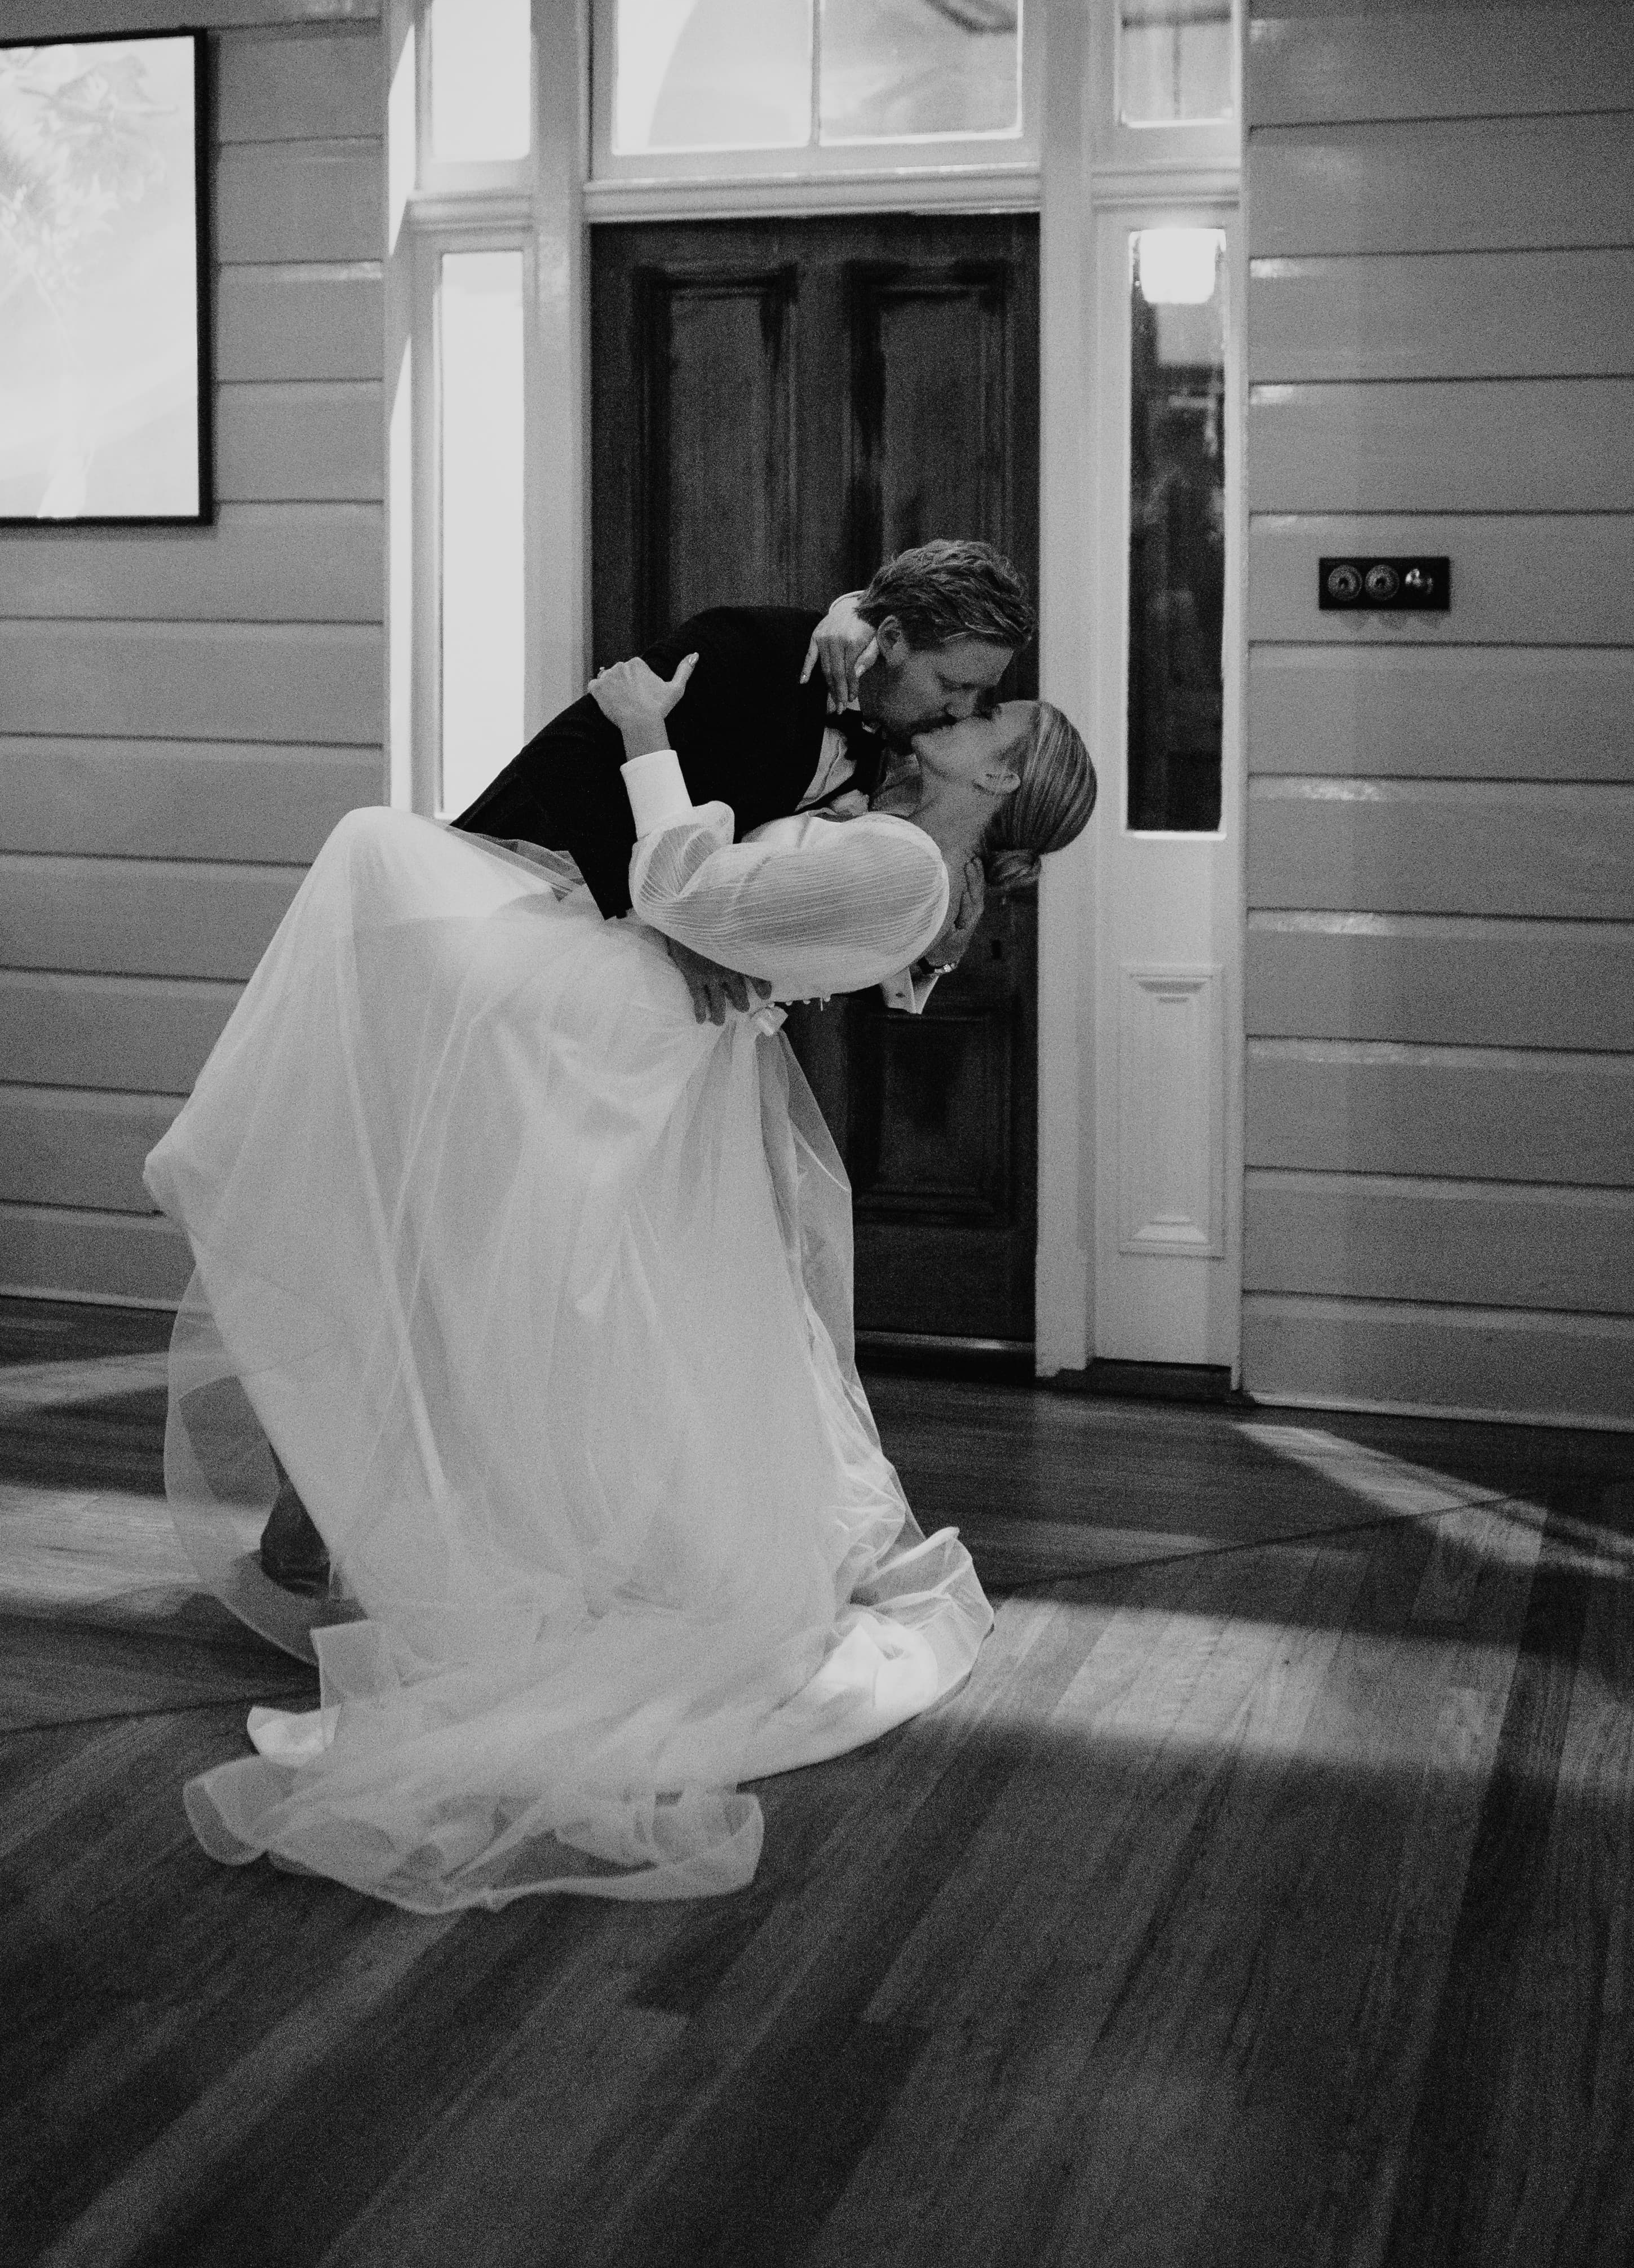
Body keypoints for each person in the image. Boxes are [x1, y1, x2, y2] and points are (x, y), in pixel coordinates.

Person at [144, 651, 1097, 1915]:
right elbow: (722, 908)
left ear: (999, 771)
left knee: (377, 851)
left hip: (614, 1020)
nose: (963, 715)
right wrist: (700, 914)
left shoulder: (910, 867)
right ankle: (356, 1400)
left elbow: (689, 888)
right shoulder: (893, 839)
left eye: (991, 719)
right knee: (560, 1273)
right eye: (973, 696)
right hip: (635, 1018)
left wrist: (647, 731)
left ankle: (253, 1197)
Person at [454, 536, 1036, 1026]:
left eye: (978, 695)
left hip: (645, 1010)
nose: (963, 709)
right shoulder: (749, 648)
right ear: (890, 639)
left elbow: (811, 920)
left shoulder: (905, 755)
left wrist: (938, 958)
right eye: (952, 685)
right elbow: (570, 762)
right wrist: (678, 924)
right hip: (517, 911)